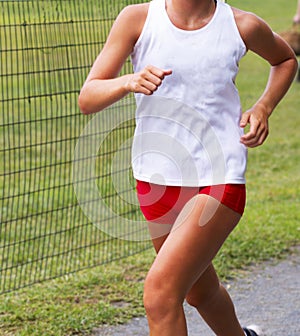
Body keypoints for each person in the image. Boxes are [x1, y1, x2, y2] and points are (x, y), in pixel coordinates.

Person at [78, 0, 298, 335]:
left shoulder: (242, 25)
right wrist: (129, 81)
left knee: (159, 294)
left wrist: (263, 106)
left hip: (219, 176)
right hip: (155, 181)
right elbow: (88, 97)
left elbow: (284, 60)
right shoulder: (137, 19)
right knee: (199, 291)